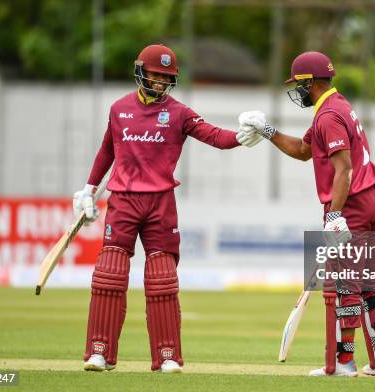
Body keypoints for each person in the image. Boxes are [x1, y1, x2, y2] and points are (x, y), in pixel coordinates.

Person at [73, 43, 261, 373]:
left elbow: (214, 135)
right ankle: (98, 352)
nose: (160, 82)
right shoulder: (119, 109)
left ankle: (168, 355)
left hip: (161, 203)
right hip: (124, 200)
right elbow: (107, 151)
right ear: (141, 71)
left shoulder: (179, 112)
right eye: (155, 75)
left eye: (166, 77)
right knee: (109, 275)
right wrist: (88, 191)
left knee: (162, 279)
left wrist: (242, 136)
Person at [236, 51, 375, 377]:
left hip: (352, 202)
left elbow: (344, 169)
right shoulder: (337, 106)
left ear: (309, 83)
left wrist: (335, 214)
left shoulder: (327, 116)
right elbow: (302, 151)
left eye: (298, 86)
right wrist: (267, 130)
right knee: (370, 281)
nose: (297, 92)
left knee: (346, 284)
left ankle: (344, 362)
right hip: (374, 198)